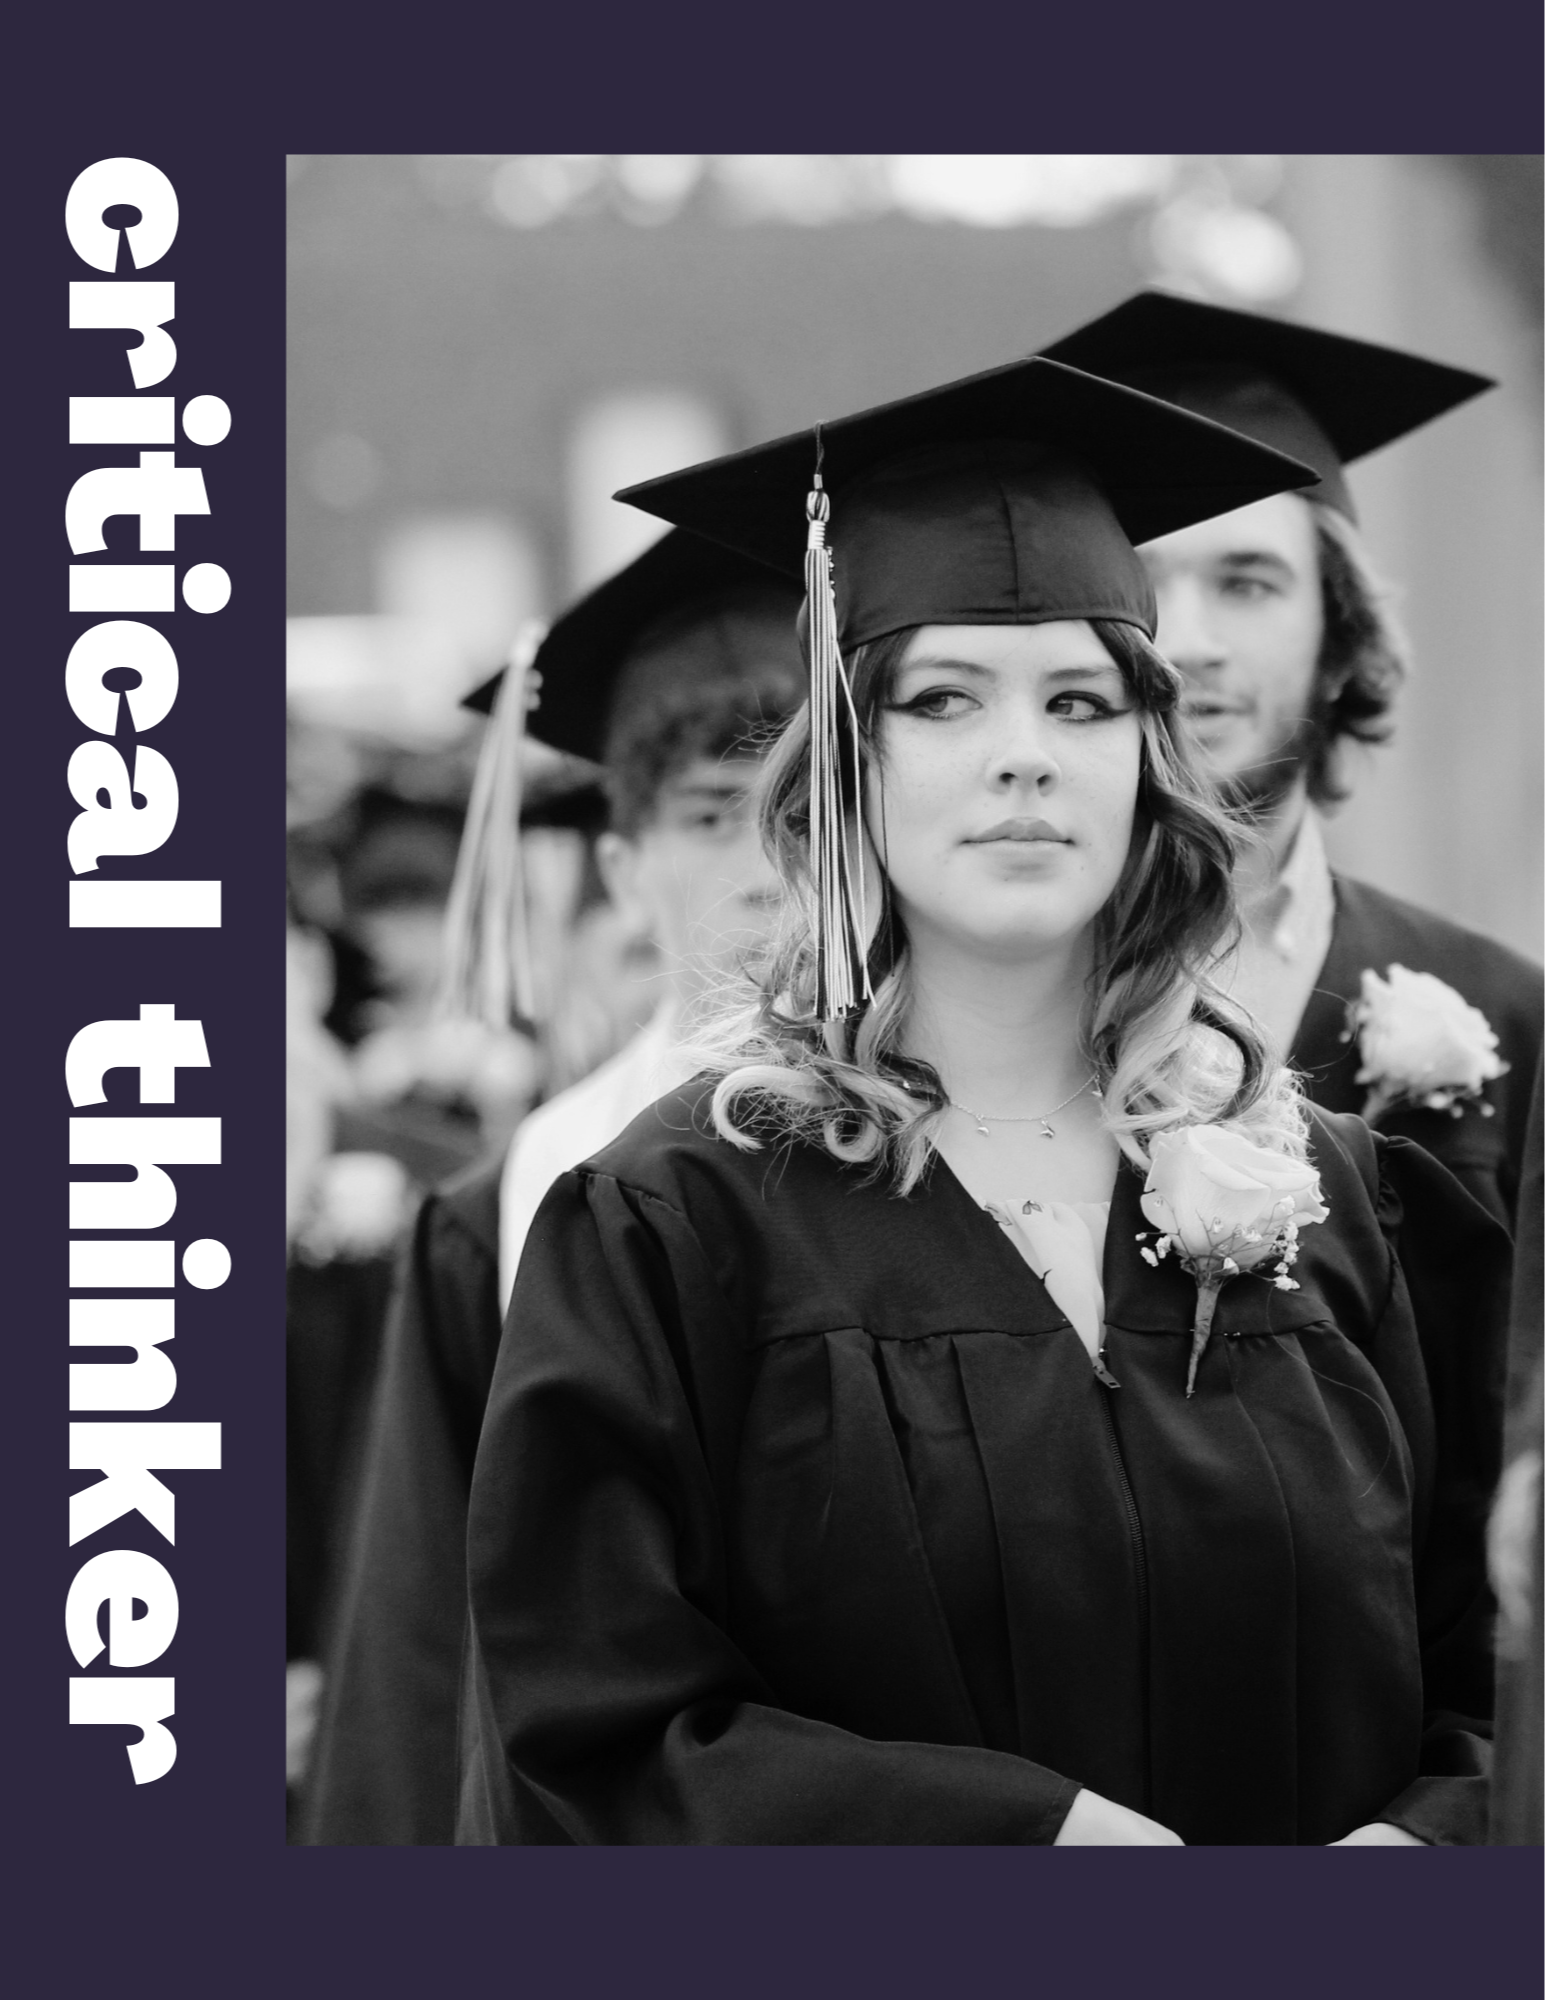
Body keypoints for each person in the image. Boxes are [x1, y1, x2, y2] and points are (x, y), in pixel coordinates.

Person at [460, 355, 1510, 1845]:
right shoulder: (675, 1223)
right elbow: (596, 1730)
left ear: (1146, 767)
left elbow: (1496, 1663)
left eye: (1080, 702)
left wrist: (1425, 1847)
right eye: (945, 697)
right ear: (846, 764)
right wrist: (1026, 1850)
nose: (1025, 753)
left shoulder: (1343, 1204)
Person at [301, 531, 805, 1844]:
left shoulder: (989, 1141)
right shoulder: (516, 1204)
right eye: (709, 812)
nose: (768, 861)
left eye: (806, 803)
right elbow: (422, 1644)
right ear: (627, 873)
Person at [1041, 292, 1545, 1231]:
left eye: (1247, 582)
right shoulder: (983, 1006)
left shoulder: (1511, 1020)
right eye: (1141, 582)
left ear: (1341, 638)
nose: (1184, 642)